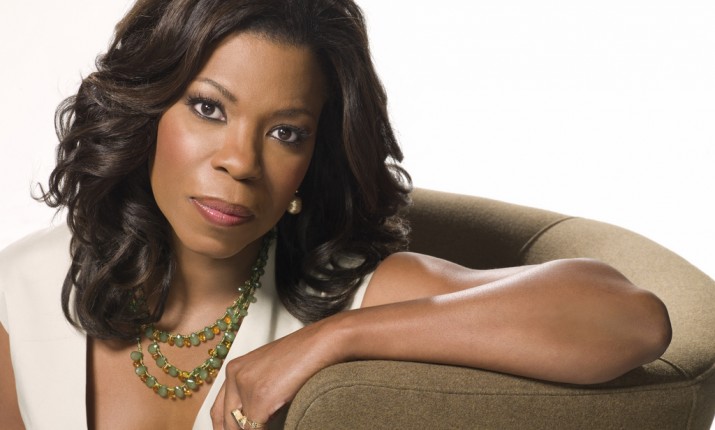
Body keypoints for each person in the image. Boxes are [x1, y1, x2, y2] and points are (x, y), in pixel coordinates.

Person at [0, 0, 672, 429]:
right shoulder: (20, 294)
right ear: (147, 112)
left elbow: (631, 319)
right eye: (209, 108)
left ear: (312, 159)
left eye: (285, 132)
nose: (241, 162)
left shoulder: (343, 293)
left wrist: (332, 340)